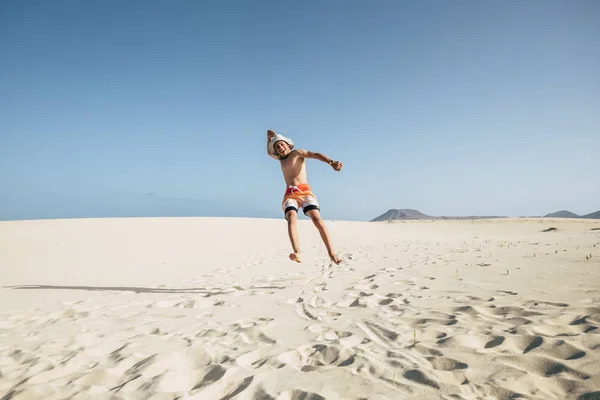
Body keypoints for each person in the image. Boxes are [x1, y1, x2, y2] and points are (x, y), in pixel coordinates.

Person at [266, 129, 343, 264]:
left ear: (288, 145)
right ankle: (297, 252)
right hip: (290, 193)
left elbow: (315, 155)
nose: (280, 148)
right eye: (277, 147)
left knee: (317, 219)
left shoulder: (297, 153)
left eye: (281, 145)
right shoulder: (280, 159)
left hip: (305, 191)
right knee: (291, 218)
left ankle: (332, 253)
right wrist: (269, 139)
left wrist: (331, 162)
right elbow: (268, 152)